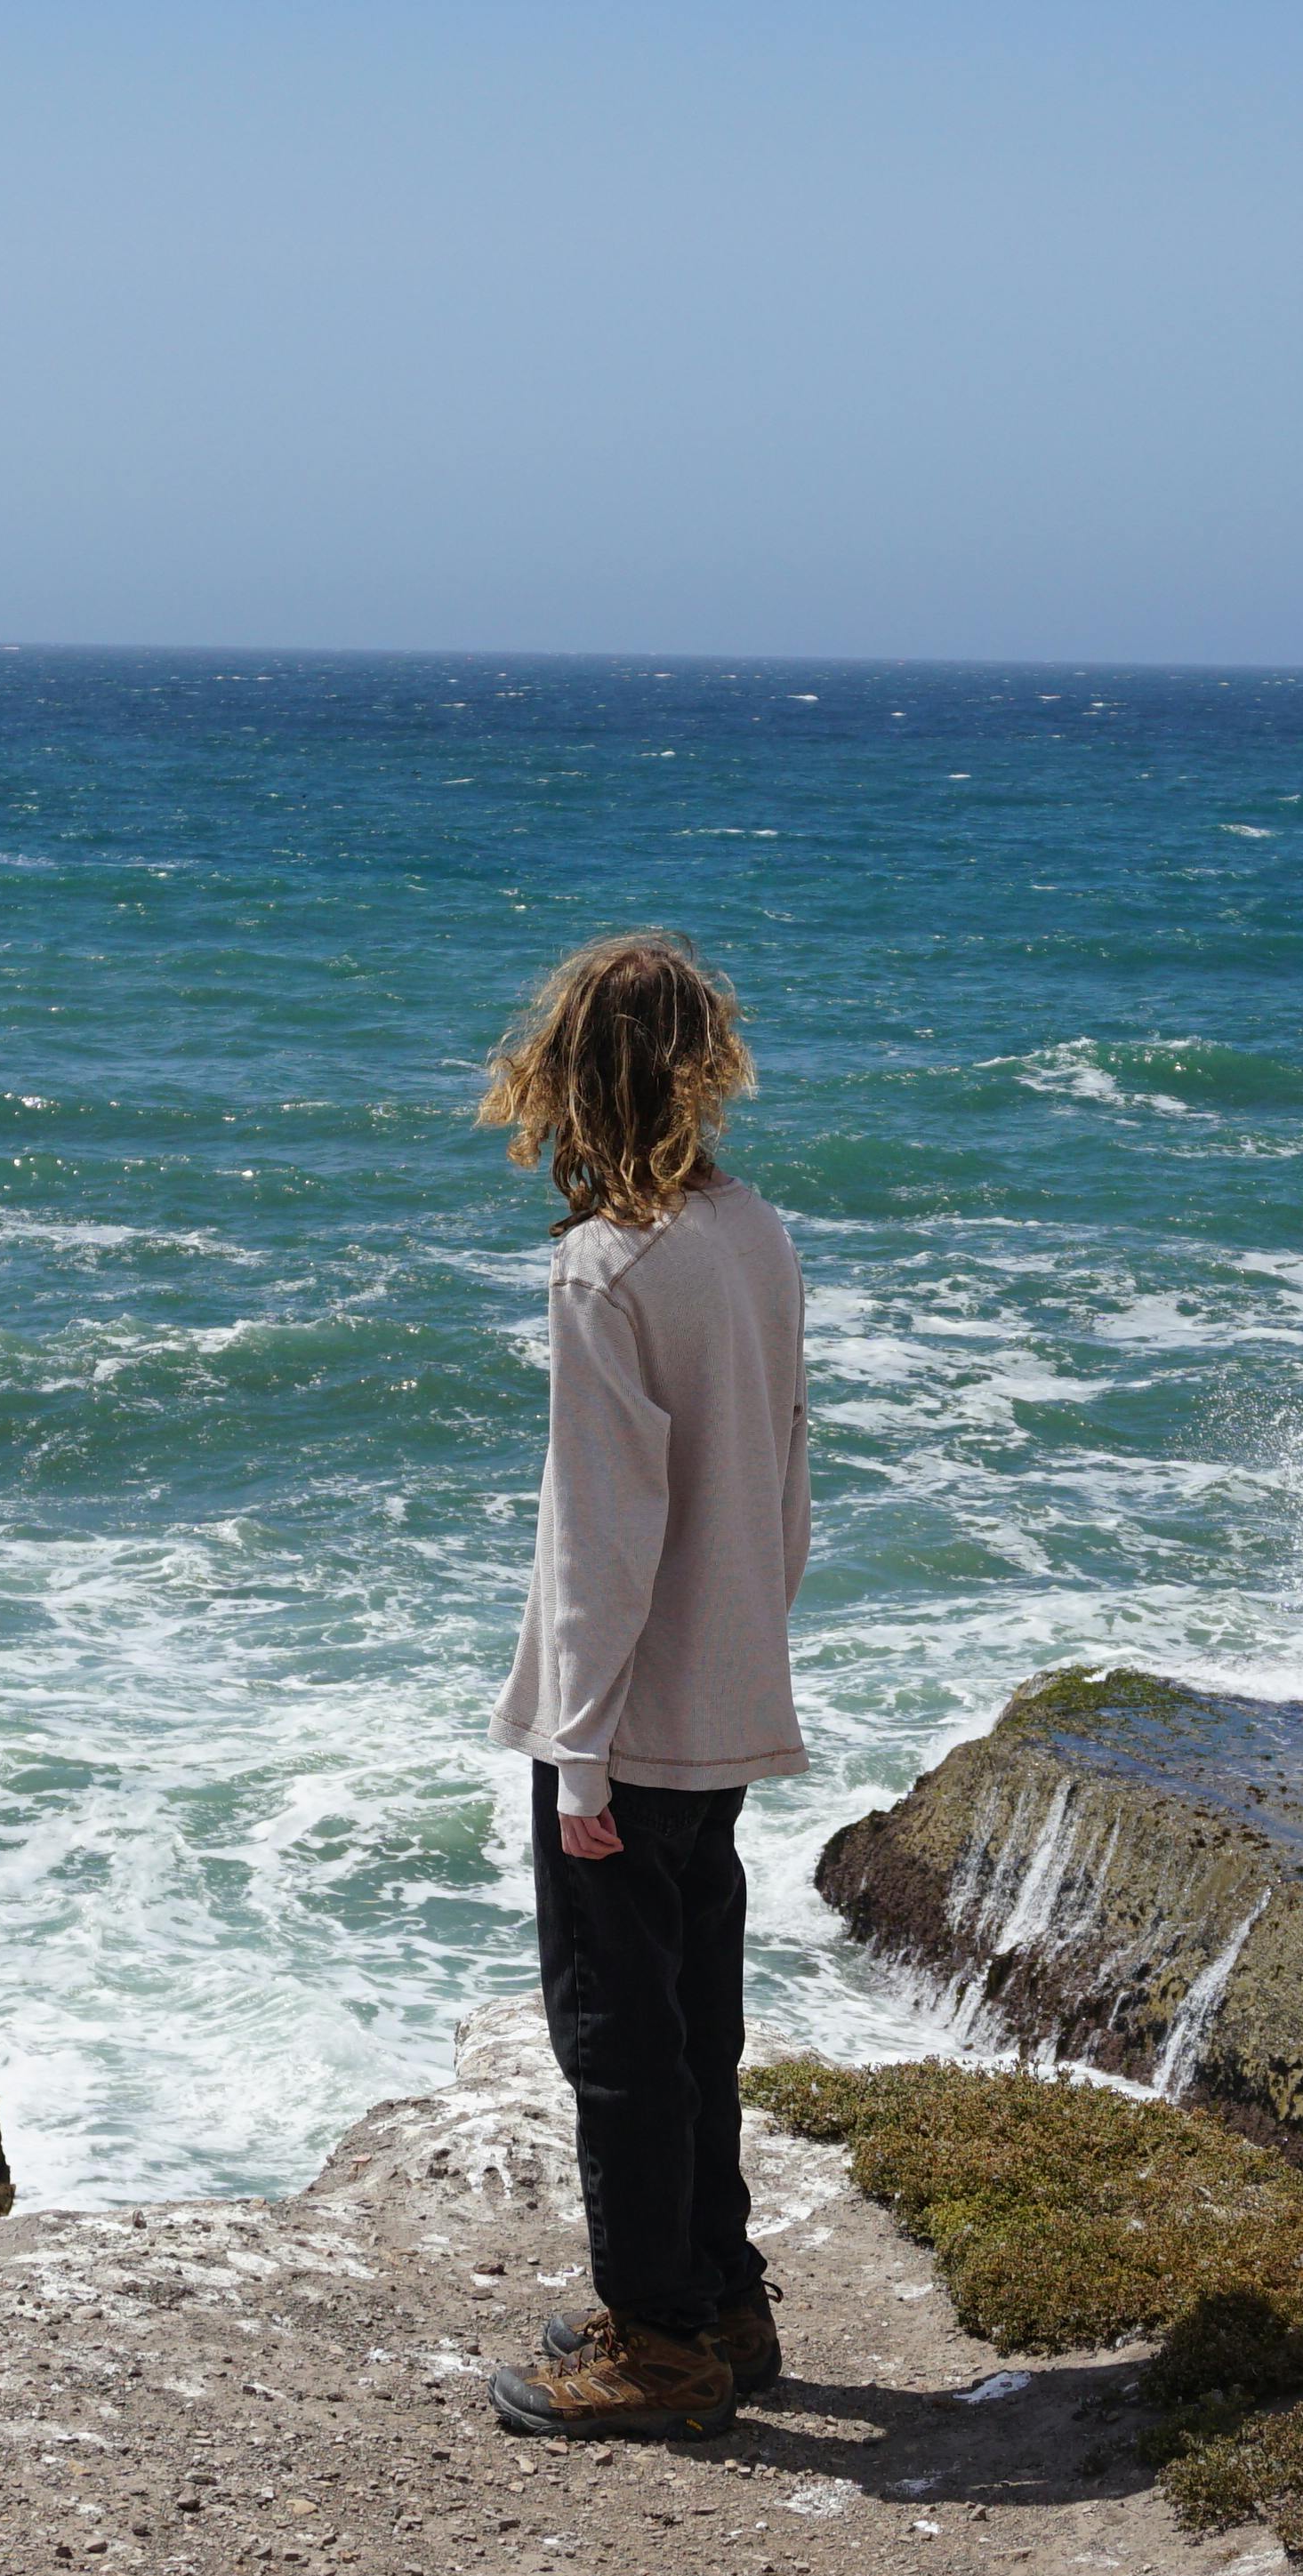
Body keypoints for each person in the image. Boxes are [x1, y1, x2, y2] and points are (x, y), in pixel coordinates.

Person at [474, 930, 811, 2441]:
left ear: (566, 1081)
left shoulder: (606, 1266)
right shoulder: (756, 1235)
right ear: (701, 1063)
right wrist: (748, 1638)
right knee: (698, 2017)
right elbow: (788, 1477)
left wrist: (584, 1755)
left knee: (618, 2037)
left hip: (626, 1718)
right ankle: (720, 2296)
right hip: (728, 1690)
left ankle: (657, 2341)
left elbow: (603, 1533)